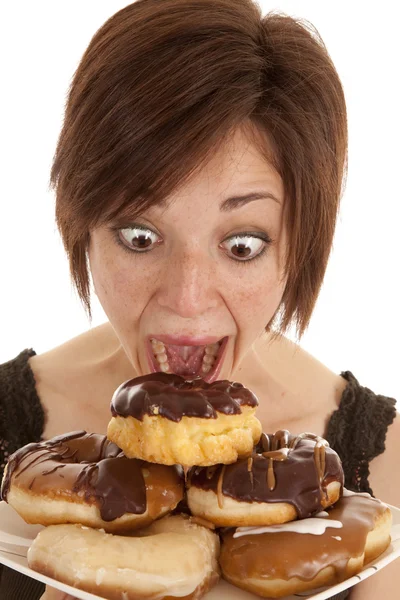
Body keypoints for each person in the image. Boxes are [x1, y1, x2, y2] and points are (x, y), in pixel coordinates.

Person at [0, 0, 398, 598]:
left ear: (303, 240)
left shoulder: (386, 466)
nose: (187, 301)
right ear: (82, 223)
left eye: (241, 244)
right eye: (140, 237)